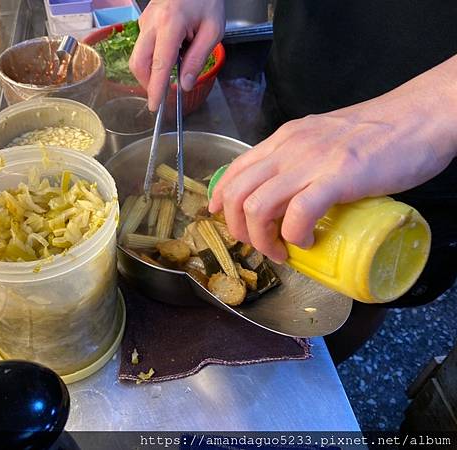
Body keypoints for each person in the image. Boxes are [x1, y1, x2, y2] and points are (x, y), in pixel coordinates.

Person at [129, 0, 457, 363]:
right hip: (301, 93)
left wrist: (434, 106)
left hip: (423, 149)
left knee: (371, 284)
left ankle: (320, 364)